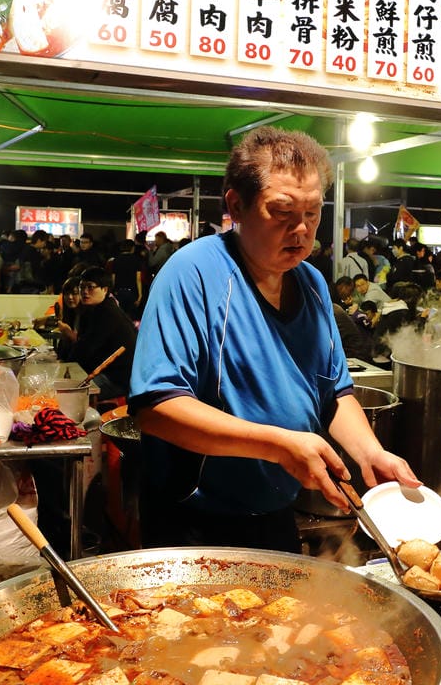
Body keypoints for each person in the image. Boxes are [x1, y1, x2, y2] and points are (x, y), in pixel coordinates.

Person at [129, 126, 418, 552]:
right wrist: (280, 446)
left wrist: (370, 452)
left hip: (277, 510)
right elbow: (157, 408)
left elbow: (334, 394)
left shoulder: (313, 284)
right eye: (282, 212)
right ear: (236, 206)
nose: (301, 229)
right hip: (193, 519)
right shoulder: (193, 273)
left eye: (313, 213)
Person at [68, 267, 138, 401]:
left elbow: (87, 347)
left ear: (105, 290)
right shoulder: (96, 309)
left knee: (71, 394)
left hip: (118, 379)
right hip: (108, 372)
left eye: (90, 287)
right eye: (82, 287)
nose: (85, 292)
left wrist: (66, 364)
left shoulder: (108, 313)